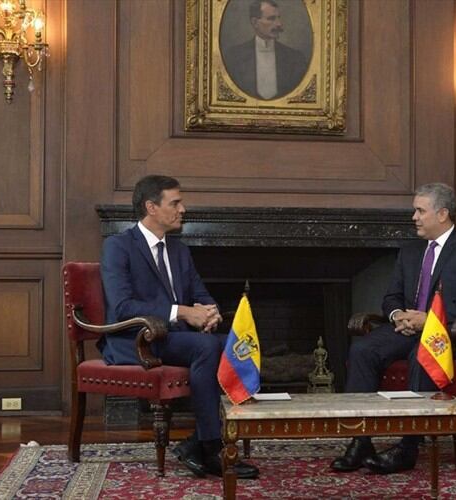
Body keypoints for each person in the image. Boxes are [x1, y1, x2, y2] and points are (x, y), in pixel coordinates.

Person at [99, 175, 259, 480]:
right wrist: (182, 312)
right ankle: (212, 447)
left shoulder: (179, 250)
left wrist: (210, 312)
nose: (183, 209)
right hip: (137, 340)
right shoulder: (118, 247)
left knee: (240, 345)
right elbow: (121, 307)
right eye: (175, 202)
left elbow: (200, 294)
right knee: (207, 346)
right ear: (151, 207)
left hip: (175, 338)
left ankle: (196, 442)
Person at [329, 183, 456, 475]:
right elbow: (391, 297)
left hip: (451, 333)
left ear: (442, 214)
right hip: (407, 328)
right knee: (362, 349)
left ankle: (408, 447)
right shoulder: (409, 251)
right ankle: (361, 440)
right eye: (414, 210)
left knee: (422, 354)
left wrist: (427, 319)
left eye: (420, 210)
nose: (414, 217)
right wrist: (397, 316)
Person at [221, 0, 308, 100]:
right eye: (271, 19)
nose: (279, 24)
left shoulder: (295, 58)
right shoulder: (234, 57)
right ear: (255, 22)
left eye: (279, 18)